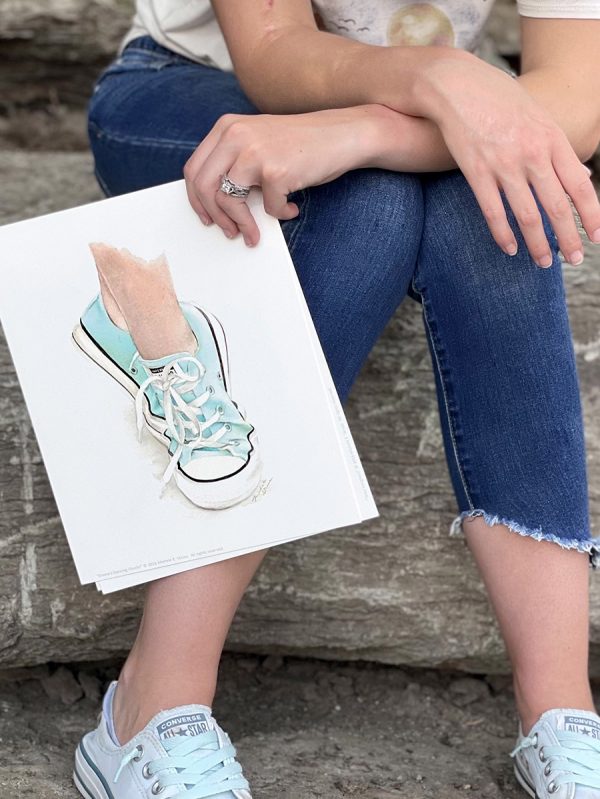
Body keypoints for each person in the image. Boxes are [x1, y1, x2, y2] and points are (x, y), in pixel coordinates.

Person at [74, 2, 600, 798]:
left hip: (419, 100)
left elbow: (576, 97)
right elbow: (275, 48)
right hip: (189, 88)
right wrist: (443, 82)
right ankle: (150, 703)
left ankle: (562, 712)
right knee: (373, 203)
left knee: (491, 198)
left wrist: (376, 130)